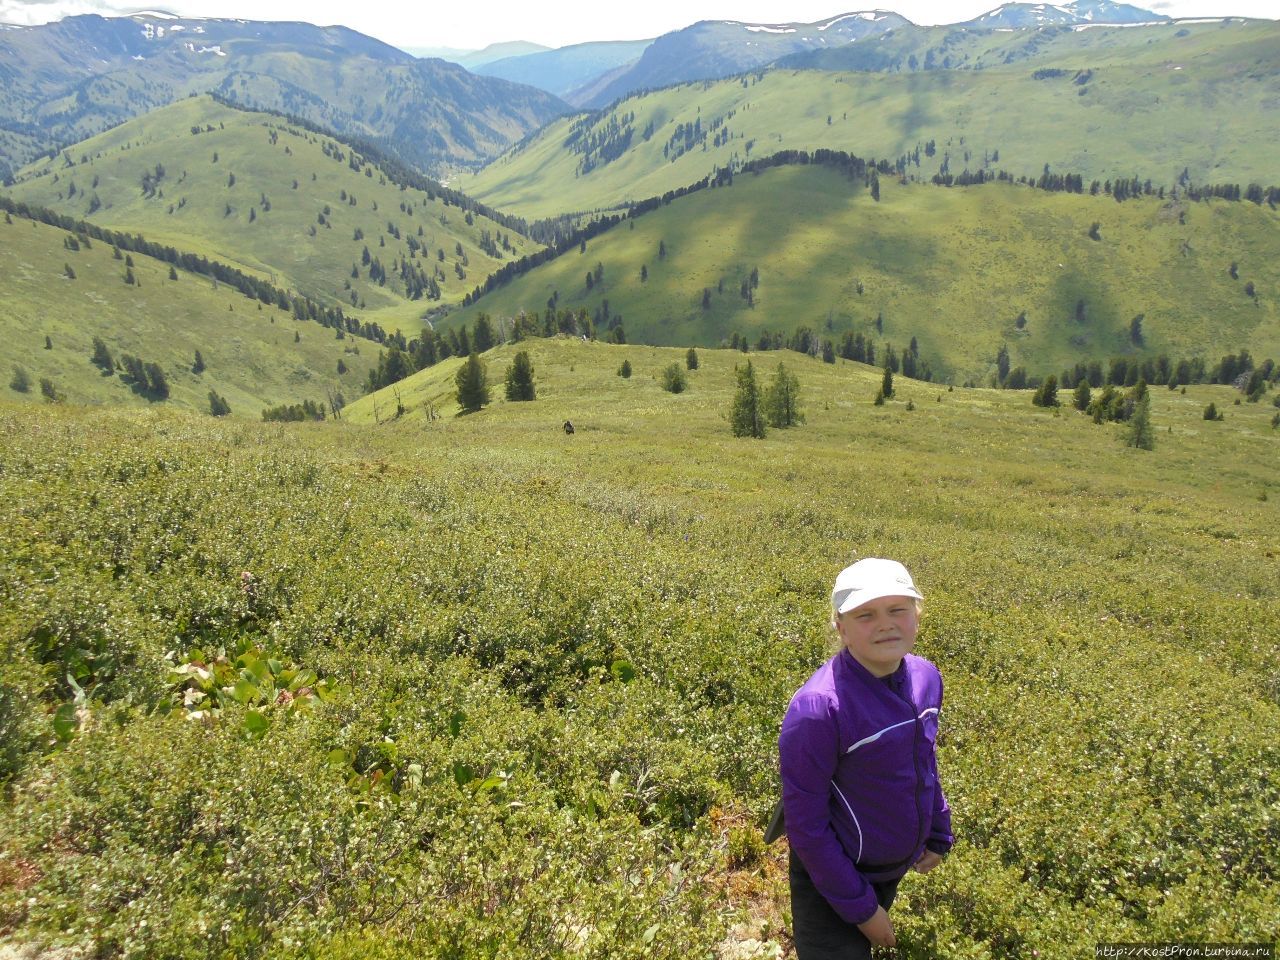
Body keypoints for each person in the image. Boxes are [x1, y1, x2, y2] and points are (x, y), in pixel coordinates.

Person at [778, 558, 953, 959]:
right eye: (866, 615)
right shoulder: (818, 709)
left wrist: (938, 829)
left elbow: (924, 760)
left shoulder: (927, 677)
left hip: (888, 867)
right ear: (841, 627)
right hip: (833, 877)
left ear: (917, 614)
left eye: (898, 610)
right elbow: (807, 826)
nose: (886, 624)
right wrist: (863, 910)